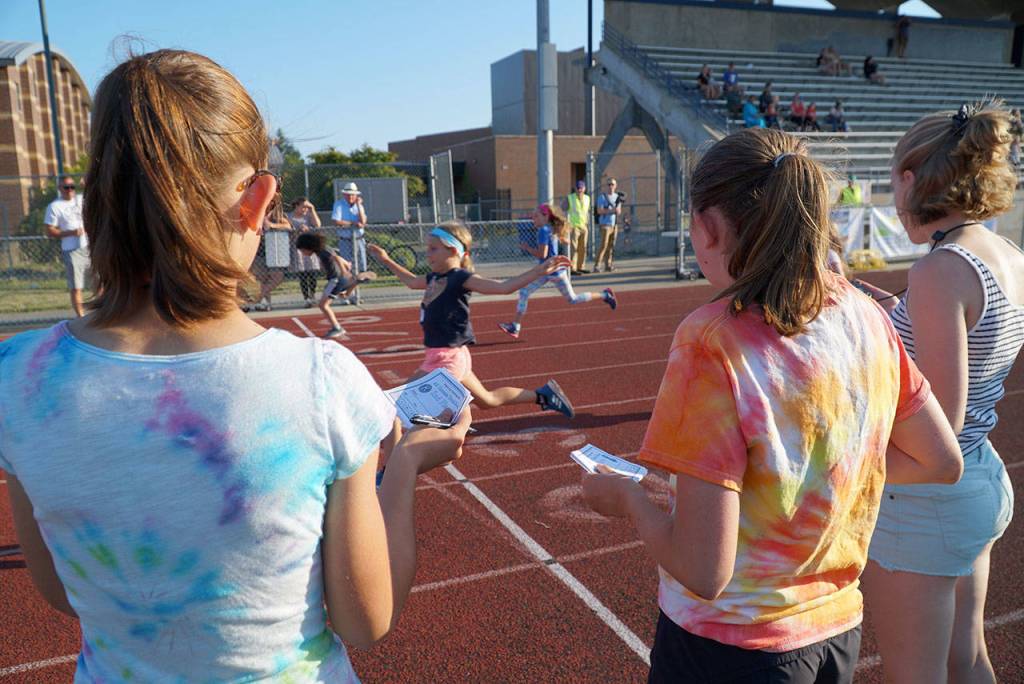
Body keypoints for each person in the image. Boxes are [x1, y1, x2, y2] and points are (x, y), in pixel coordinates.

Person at [1, 48, 469, 682]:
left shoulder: (17, 376)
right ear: (258, 199)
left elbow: (61, 591)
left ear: (99, 200)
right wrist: (406, 463)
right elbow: (365, 622)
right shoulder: (322, 380)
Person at [578, 128, 962, 684]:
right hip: (835, 633)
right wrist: (813, 472)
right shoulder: (866, 314)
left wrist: (630, 500)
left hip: (730, 645)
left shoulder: (711, 340)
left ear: (708, 226)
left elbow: (704, 572)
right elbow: (941, 461)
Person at [854, 102, 1022, 683]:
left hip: (928, 503)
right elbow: (970, 346)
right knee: (966, 659)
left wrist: (852, 467)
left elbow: (939, 433)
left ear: (910, 180)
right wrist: (893, 310)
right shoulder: (1006, 255)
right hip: (979, 475)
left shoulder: (938, 271)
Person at [368, 222, 577, 418]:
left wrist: (538, 271)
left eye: (433, 249)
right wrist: (385, 259)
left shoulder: (460, 278)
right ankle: (544, 395)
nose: (427, 253)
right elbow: (412, 281)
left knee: (404, 404)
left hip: (449, 359)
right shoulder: (434, 278)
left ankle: (445, 442)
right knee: (487, 400)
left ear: (452, 251)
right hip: (439, 356)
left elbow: (503, 287)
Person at [498, 204, 616, 339]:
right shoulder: (549, 228)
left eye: (536, 216)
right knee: (530, 292)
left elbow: (543, 254)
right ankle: (515, 326)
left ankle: (605, 294)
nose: (533, 219)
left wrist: (527, 248)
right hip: (549, 271)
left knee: (568, 298)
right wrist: (560, 239)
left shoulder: (543, 230)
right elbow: (564, 241)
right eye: (532, 216)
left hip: (552, 272)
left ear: (545, 216)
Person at [296, 231, 377, 338]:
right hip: (337, 279)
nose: (302, 253)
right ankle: (353, 283)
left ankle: (337, 328)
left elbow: (337, 258)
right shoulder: (323, 249)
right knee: (340, 296)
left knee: (323, 305)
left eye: (302, 251)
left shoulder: (323, 251)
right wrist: (347, 264)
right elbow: (337, 256)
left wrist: (344, 271)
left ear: (308, 246)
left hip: (336, 279)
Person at [44, 175, 91, 317]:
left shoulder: (80, 199)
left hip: (89, 247)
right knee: (76, 287)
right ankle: (81, 317)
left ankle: (101, 314)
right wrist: (71, 233)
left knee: (100, 282)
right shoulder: (54, 206)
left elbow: (96, 198)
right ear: (60, 188)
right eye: (66, 187)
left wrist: (86, 186)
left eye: (72, 187)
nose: (70, 190)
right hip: (72, 251)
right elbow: (49, 231)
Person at [250, 196, 293, 311]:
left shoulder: (278, 217)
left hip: (274, 252)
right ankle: (266, 303)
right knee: (263, 279)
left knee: (277, 277)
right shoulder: (257, 215)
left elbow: (288, 226)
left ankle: (258, 299)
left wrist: (272, 225)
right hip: (259, 252)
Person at [331, 181, 367, 303]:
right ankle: (345, 295)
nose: (350, 196)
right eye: (348, 194)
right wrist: (352, 224)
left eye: (353, 194)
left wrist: (359, 206)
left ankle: (353, 294)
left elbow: (363, 222)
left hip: (359, 240)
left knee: (361, 268)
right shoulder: (339, 204)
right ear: (344, 195)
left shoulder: (359, 205)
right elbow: (337, 221)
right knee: (347, 269)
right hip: (345, 240)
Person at [289, 197, 323, 307]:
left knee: (312, 273)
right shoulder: (289, 217)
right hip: (298, 248)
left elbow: (318, 225)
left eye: (307, 207)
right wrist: (297, 230)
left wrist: (312, 209)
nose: (305, 209)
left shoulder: (308, 215)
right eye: (303, 207)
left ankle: (312, 295)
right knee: (303, 275)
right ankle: (306, 298)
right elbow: (288, 232)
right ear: (297, 206)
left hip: (310, 247)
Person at [594, 178, 622, 272]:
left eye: (612, 184)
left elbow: (619, 211)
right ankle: (597, 265)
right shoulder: (602, 197)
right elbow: (599, 211)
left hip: (614, 224)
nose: (610, 186)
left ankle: (608, 265)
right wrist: (612, 210)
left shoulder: (617, 197)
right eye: (609, 184)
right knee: (604, 245)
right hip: (605, 224)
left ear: (615, 186)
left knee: (611, 246)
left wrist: (616, 211)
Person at [566, 179, 591, 275]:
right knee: (573, 248)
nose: (579, 190)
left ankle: (581, 267)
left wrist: (587, 223)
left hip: (584, 226)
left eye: (581, 188)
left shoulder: (587, 198)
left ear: (584, 188)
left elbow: (586, 211)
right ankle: (572, 268)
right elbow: (562, 209)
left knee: (583, 248)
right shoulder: (570, 198)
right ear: (575, 188)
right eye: (578, 188)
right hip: (574, 226)